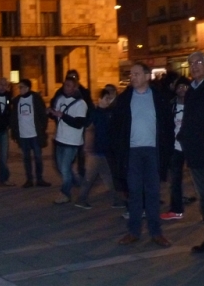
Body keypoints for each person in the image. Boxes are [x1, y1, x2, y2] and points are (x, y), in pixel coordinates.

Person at [110, 62, 173, 247]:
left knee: (153, 192)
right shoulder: (124, 99)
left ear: (147, 76)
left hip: (153, 151)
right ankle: (133, 231)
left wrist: (166, 151)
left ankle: (156, 233)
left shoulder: (159, 98)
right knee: (135, 193)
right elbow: (115, 127)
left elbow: (167, 126)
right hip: (132, 153)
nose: (133, 77)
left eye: (137, 74)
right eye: (131, 74)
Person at [177, 52, 204, 253]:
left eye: (199, 62)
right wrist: (183, 138)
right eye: (191, 64)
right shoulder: (191, 90)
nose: (195, 67)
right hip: (196, 155)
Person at [75, 88, 124, 209]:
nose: (108, 101)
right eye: (106, 99)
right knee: (89, 178)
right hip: (95, 151)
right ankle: (81, 200)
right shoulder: (94, 113)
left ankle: (116, 200)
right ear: (99, 99)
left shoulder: (108, 113)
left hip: (102, 151)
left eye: (109, 99)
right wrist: (88, 148)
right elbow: (89, 130)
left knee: (107, 177)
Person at [47, 76, 88, 204]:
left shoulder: (81, 104)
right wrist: (51, 113)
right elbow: (57, 118)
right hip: (60, 138)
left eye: (69, 85)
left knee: (65, 168)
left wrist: (62, 115)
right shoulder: (60, 99)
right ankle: (77, 182)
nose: (66, 87)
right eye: (65, 85)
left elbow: (79, 123)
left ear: (75, 87)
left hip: (72, 141)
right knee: (60, 167)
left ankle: (65, 194)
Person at [10, 79, 50, 188]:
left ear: (28, 87)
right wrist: (14, 132)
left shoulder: (36, 98)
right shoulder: (17, 100)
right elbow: (13, 117)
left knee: (38, 157)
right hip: (23, 135)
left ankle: (39, 178)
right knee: (26, 158)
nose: (20, 89)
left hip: (35, 134)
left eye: (21, 87)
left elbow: (42, 115)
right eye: (19, 87)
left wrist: (42, 128)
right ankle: (29, 179)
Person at [160, 76, 190, 221]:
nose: (182, 89)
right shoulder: (171, 105)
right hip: (175, 147)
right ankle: (176, 209)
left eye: (185, 86)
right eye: (179, 86)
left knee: (202, 181)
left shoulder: (195, 104)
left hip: (192, 147)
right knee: (175, 180)